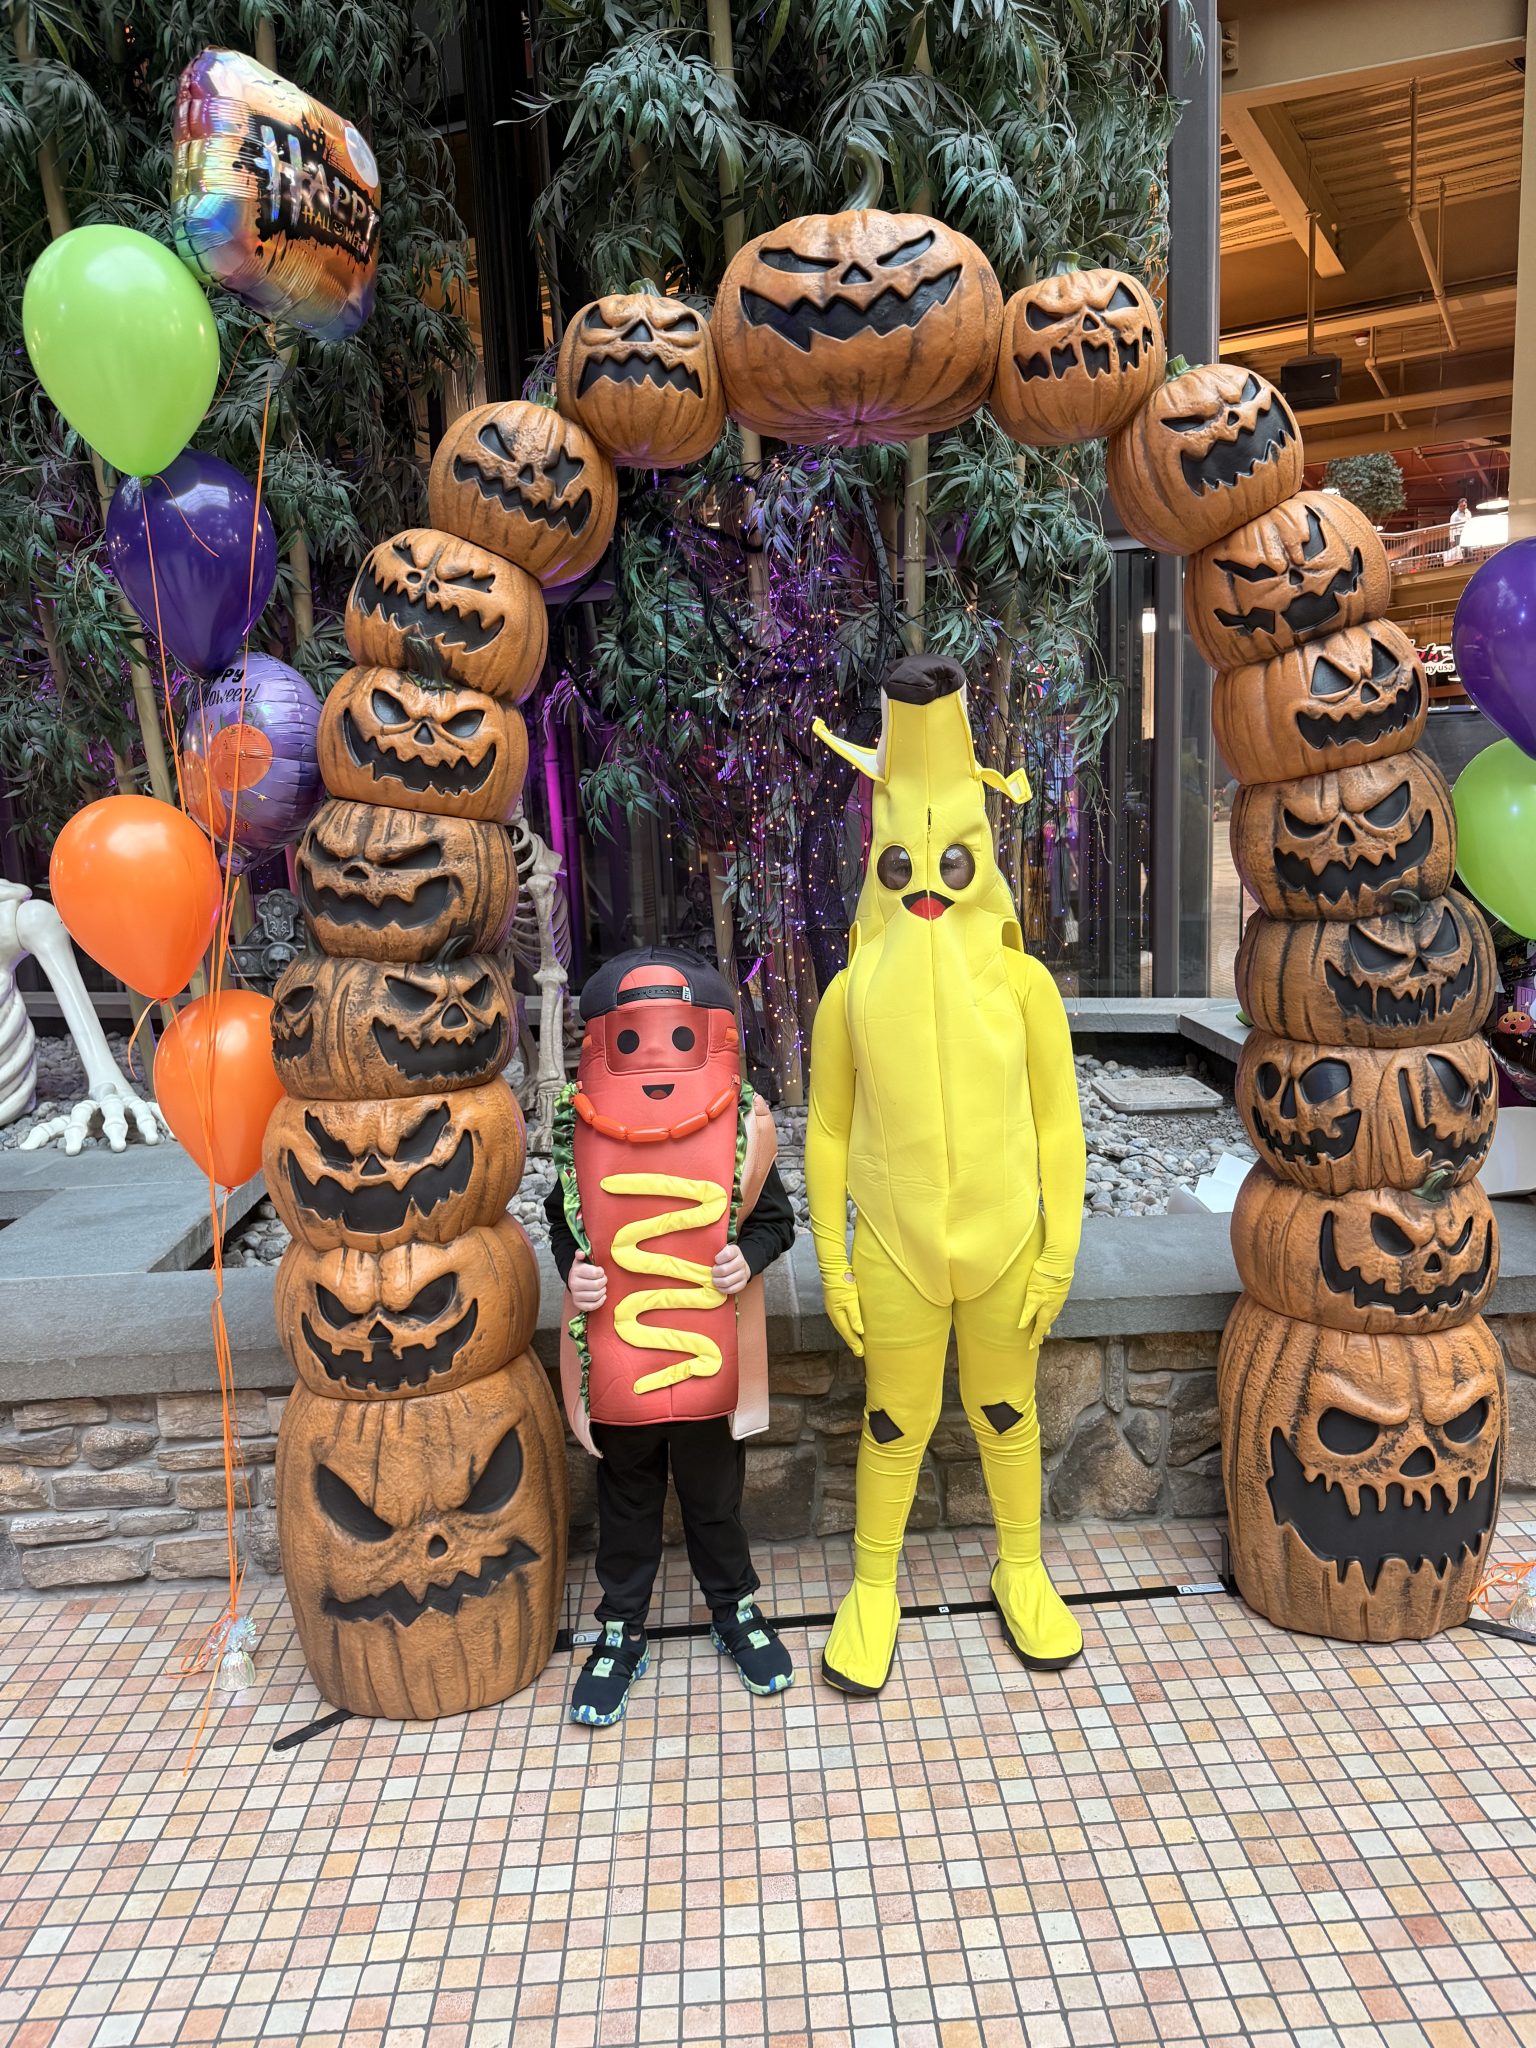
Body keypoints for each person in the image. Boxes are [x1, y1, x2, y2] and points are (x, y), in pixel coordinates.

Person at [806, 654, 1086, 1695]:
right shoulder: (846, 994)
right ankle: (872, 1585)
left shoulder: (1026, 985)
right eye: (902, 865)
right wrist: (833, 1262)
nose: (926, 885)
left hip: (1006, 1237)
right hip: (895, 1240)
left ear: (983, 857)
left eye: (952, 862)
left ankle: (1023, 1567)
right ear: (877, 861)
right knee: (893, 1420)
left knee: (1008, 1412)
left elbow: (1059, 1125)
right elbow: (826, 1130)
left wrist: (1060, 1250)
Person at [547, 946, 797, 1725]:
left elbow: (777, 1222)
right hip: (621, 1356)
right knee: (626, 1501)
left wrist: (746, 1257)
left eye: (680, 1039)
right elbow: (565, 1225)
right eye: (632, 1041)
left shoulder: (746, 1130)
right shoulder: (579, 1133)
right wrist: (575, 1274)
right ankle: (621, 1628)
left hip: (707, 1353)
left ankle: (735, 1608)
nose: (657, 1061)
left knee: (714, 1499)